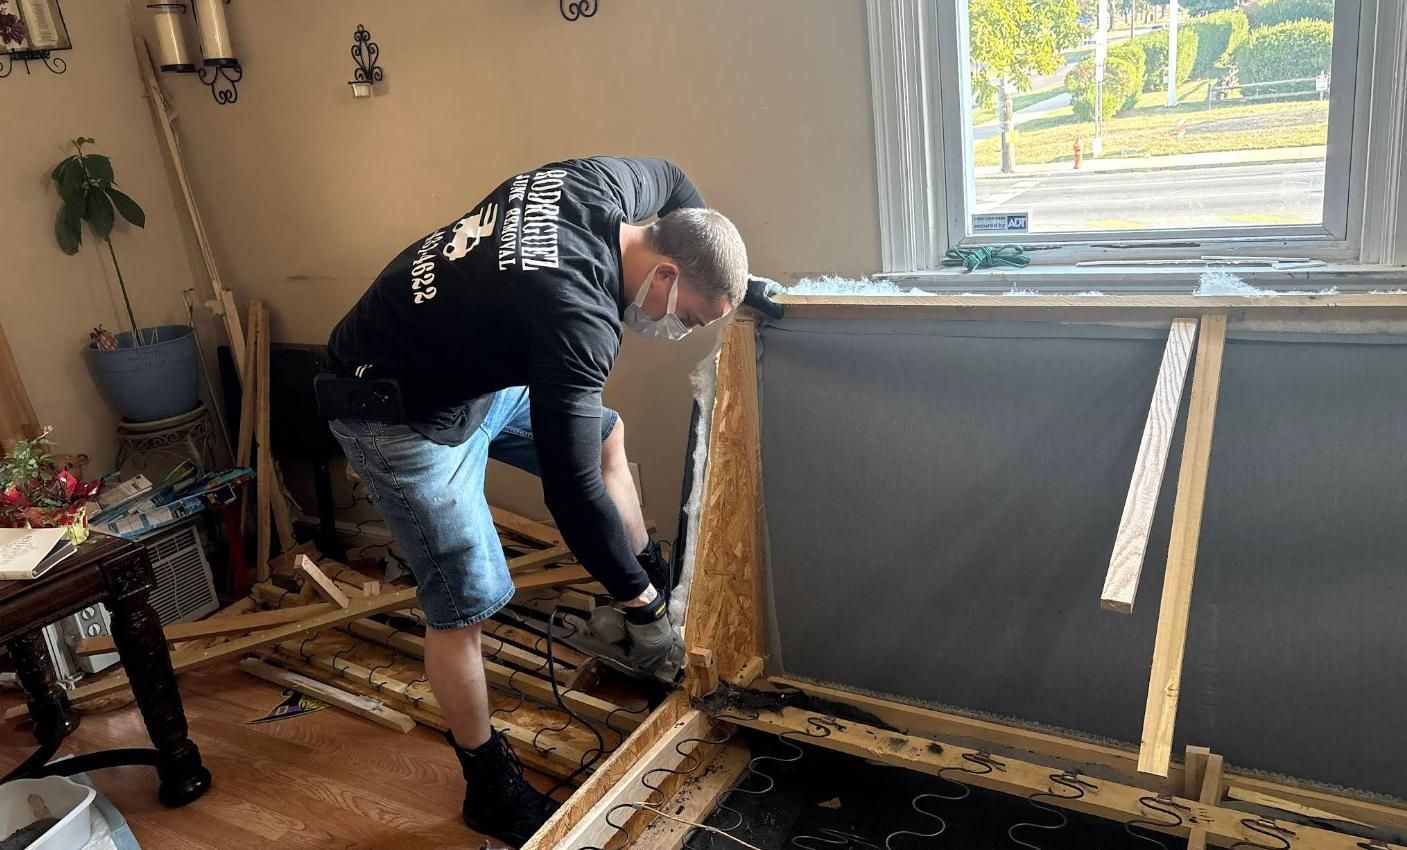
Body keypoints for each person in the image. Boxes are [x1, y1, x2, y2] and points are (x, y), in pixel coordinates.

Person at [322, 157, 748, 845]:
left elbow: (675, 182)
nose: (684, 331)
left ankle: (649, 577)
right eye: (693, 319)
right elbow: (570, 492)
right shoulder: (578, 317)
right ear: (664, 277)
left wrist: (731, 286)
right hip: (395, 412)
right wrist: (636, 607)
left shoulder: (601, 186)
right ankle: (487, 783)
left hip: (461, 377)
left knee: (607, 435)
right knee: (466, 599)